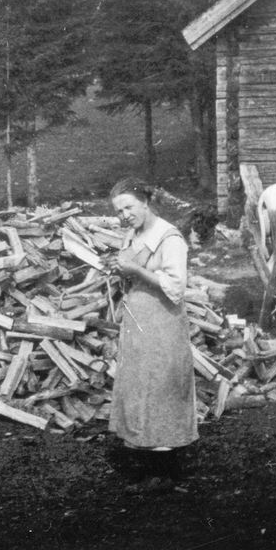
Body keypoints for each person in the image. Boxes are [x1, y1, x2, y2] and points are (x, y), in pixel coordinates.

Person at [105, 177, 197, 493]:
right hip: (138, 322)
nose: (124, 216)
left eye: (129, 207)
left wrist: (136, 272)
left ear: (145, 203)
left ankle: (166, 474)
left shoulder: (169, 238)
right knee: (138, 388)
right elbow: (131, 269)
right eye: (118, 211)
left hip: (163, 321)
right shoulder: (133, 234)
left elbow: (175, 285)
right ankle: (149, 468)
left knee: (161, 390)